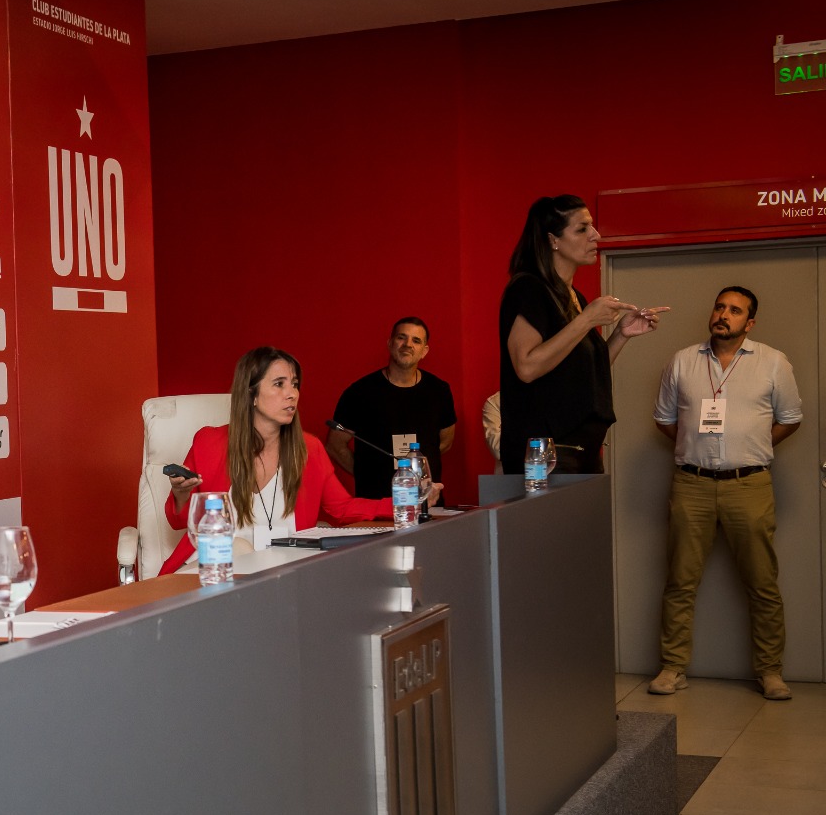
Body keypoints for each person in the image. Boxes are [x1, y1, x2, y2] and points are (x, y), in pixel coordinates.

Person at [650, 286, 802, 700]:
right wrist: (694, 446)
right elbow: (664, 420)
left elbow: (790, 419)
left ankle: (770, 672)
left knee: (762, 583)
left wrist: (754, 446)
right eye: (720, 307)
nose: (723, 315)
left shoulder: (773, 362)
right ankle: (672, 667)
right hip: (691, 485)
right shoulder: (682, 361)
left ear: (749, 323)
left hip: (749, 485)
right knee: (679, 582)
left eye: (735, 310)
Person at [160, 345, 415, 575]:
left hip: (278, 574)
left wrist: (409, 502)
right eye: (279, 384)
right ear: (251, 394)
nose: (292, 393)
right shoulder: (209, 442)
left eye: (294, 384)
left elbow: (342, 509)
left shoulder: (309, 449)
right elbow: (179, 521)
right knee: (239, 547)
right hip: (212, 571)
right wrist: (181, 494)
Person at [498, 194, 668, 474]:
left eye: (592, 227)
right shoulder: (529, 288)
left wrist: (621, 335)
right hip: (546, 452)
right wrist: (587, 319)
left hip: (582, 448)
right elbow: (526, 367)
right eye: (582, 229)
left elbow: (585, 372)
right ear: (553, 240)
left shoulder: (574, 296)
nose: (596, 235)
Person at [328, 316, 457, 498]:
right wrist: (366, 475)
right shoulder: (359, 392)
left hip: (426, 501)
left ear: (424, 351)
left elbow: (444, 443)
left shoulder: (439, 391)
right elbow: (335, 445)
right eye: (401, 337)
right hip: (375, 502)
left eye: (416, 340)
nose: (408, 344)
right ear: (390, 344)